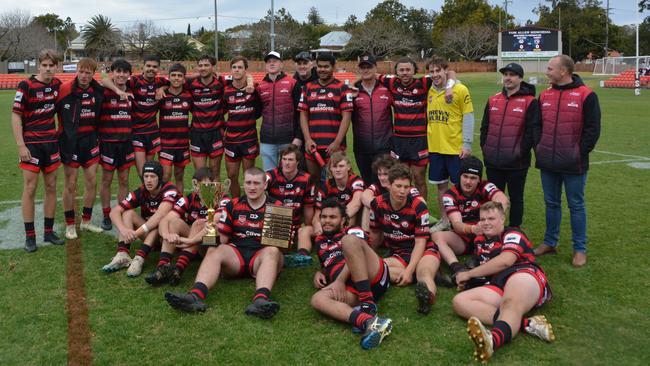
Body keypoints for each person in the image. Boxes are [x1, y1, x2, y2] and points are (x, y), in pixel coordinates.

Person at [165, 168, 285, 319]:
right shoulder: (234, 204)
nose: (252, 187)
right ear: (244, 184)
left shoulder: (277, 206)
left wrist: (283, 238)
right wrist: (210, 233)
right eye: (248, 183)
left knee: (273, 251)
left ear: (265, 185)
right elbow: (221, 239)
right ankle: (195, 296)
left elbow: (280, 247)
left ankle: (261, 301)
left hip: (261, 257)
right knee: (215, 250)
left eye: (256, 183)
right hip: (236, 256)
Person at [452, 201, 555, 363]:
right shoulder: (479, 241)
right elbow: (486, 270)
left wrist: (469, 274)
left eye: (491, 219)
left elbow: (505, 261)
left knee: (510, 302)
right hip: (498, 283)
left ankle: (492, 341)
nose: (486, 223)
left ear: (502, 219)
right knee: (459, 301)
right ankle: (526, 324)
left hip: (523, 273)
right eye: (483, 219)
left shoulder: (513, 233)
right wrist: (470, 281)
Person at [533, 55, 601, 268]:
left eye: (550, 68)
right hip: (548, 162)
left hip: (574, 163)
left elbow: (592, 130)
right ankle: (550, 242)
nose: (547, 72)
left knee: (576, 205)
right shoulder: (544, 95)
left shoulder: (587, 95)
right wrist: (540, 147)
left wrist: (578, 153)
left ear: (564, 71)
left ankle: (579, 249)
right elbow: (536, 126)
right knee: (551, 203)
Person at [310, 198, 393, 350]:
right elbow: (328, 264)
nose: (327, 221)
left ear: (343, 221)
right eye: (324, 217)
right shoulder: (320, 241)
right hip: (353, 289)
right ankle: (369, 322)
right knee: (317, 299)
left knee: (349, 241)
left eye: (332, 217)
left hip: (372, 275)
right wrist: (320, 272)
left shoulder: (353, 230)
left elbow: (356, 253)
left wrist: (340, 280)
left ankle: (368, 306)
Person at [368, 163, 441, 315]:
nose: (402, 191)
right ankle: (418, 275)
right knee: (378, 268)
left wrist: (408, 270)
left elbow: (421, 243)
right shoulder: (377, 204)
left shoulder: (419, 206)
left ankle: (427, 298)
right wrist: (370, 256)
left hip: (424, 250)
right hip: (398, 253)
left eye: (406, 187)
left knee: (424, 273)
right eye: (398, 186)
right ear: (389, 184)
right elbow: (374, 234)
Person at [11, 49, 64, 252]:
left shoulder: (57, 85)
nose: (48, 69)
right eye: (45, 65)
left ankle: (48, 232)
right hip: (31, 144)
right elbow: (16, 116)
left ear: (56, 66)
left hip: (51, 143)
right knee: (30, 188)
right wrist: (20, 145)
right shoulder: (26, 85)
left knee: (51, 187)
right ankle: (30, 236)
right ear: (38, 65)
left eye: (52, 65)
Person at [145, 167, 228, 286]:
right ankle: (162, 268)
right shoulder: (189, 198)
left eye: (207, 185)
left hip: (213, 242)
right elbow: (166, 219)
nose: (202, 189)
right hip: (192, 241)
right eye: (198, 185)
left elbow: (214, 221)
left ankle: (178, 269)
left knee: (199, 223)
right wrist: (166, 235)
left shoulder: (222, 198)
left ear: (214, 184)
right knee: (174, 222)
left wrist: (190, 240)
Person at [480, 62, 538, 228]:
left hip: (516, 162)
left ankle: (514, 229)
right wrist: (486, 148)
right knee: (494, 198)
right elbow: (485, 127)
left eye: (512, 75)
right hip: (493, 161)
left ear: (520, 78)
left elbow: (531, 132)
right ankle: (494, 229)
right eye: (505, 74)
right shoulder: (493, 100)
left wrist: (519, 152)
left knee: (516, 197)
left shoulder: (530, 102)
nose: (508, 78)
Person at [432, 157, 508, 277]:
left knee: (498, 225)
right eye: (465, 176)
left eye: (473, 178)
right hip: (464, 238)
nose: (468, 182)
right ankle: (457, 267)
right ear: (459, 176)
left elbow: (502, 200)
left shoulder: (485, 186)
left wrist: (491, 219)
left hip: (487, 235)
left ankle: (482, 256)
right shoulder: (450, 195)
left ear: (479, 180)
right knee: (436, 236)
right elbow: (457, 225)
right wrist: (473, 229)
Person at [102, 160, 180, 277]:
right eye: (146, 176)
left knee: (157, 222)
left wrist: (135, 233)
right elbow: (114, 212)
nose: (148, 180)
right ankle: (123, 254)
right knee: (128, 213)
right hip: (149, 236)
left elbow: (160, 215)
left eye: (153, 176)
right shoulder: (141, 190)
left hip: (168, 238)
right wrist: (124, 230)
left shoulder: (170, 190)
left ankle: (139, 258)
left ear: (160, 178)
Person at [57, 57, 105, 239]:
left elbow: (110, 82)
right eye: (81, 71)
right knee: (70, 183)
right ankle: (70, 225)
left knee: (92, 182)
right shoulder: (64, 90)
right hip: (70, 143)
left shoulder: (98, 90)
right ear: (76, 70)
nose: (84, 76)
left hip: (91, 142)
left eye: (88, 72)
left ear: (93, 74)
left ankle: (86, 221)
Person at [426, 56, 476, 233]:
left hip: (456, 149)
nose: (434, 74)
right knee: (441, 187)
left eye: (438, 70)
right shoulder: (429, 90)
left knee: (460, 188)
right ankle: (445, 220)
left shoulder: (460, 89)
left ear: (445, 71)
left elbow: (469, 117)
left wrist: (467, 144)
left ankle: (460, 222)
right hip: (436, 148)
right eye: (431, 71)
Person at [292, 152, 363, 267]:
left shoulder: (355, 181)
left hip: (346, 223)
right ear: (330, 169)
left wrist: (340, 221)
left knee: (352, 213)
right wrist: (318, 225)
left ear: (348, 167)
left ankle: (339, 248)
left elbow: (355, 203)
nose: (338, 170)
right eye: (334, 167)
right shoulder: (326, 185)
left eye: (341, 166)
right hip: (329, 224)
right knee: (304, 230)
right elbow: (318, 213)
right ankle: (302, 256)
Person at [104, 55, 168, 175]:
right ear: (142, 67)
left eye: (154, 67)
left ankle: (148, 193)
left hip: (153, 132)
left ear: (158, 69)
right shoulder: (134, 81)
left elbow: (170, 83)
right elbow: (105, 81)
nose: (151, 69)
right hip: (137, 133)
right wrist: (118, 91)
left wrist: (162, 89)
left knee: (150, 172)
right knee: (142, 172)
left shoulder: (160, 82)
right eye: (148, 66)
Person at [298, 53, 353, 181]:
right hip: (313, 146)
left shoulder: (342, 89)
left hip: (334, 146)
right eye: (319, 66)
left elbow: (347, 117)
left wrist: (337, 142)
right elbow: (303, 114)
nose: (322, 69)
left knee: (336, 181)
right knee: (314, 182)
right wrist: (307, 140)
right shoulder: (307, 88)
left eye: (326, 66)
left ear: (333, 67)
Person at [98, 59, 136, 231]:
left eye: (124, 72)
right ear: (113, 72)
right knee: (106, 179)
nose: (121, 75)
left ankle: (120, 211)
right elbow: (102, 79)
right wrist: (115, 89)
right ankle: (106, 214)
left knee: (124, 179)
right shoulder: (105, 91)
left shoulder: (133, 90)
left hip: (126, 142)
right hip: (108, 143)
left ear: (129, 74)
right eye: (118, 71)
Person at [265, 145, 315, 267]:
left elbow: (308, 206)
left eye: (290, 160)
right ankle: (280, 253)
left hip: (296, 224)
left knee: (306, 230)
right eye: (284, 159)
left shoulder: (306, 179)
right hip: (276, 222)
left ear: (298, 162)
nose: (286, 163)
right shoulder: (271, 175)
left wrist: (309, 227)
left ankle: (302, 257)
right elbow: (259, 188)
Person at [223, 56, 262, 198]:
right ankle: (235, 203)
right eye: (234, 67)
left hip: (249, 139)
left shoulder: (254, 89)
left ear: (245, 70)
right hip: (231, 140)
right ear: (231, 70)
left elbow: (259, 111)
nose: (237, 70)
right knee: (232, 175)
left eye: (240, 67)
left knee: (249, 177)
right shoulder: (226, 90)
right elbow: (222, 111)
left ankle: (248, 204)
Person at [351, 55, 393, 184]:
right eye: (363, 67)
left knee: (383, 183)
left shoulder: (387, 88)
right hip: (362, 148)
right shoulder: (353, 91)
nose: (366, 70)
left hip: (384, 147)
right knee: (367, 183)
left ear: (375, 68)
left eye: (369, 67)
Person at [257, 51, 302, 171]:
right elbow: (256, 112)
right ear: (266, 65)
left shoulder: (293, 83)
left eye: (275, 61)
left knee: (288, 174)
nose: (272, 64)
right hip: (267, 140)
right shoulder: (260, 86)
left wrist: (298, 137)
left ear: (281, 64)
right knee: (269, 176)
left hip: (288, 139)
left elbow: (300, 113)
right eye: (269, 62)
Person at [187, 55, 226, 180]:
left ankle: (216, 200)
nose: (203, 68)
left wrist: (251, 81)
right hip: (197, 133)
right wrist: (162, 88)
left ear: (212, 67)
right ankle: (202, 200)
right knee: (200, 174)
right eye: (200, 65)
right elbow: (173, 80)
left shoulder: (221, 82)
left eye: (206, 65)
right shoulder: (191, 84)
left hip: (216, 133)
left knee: (215, 172)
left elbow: (243, 77)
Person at [158, 63, 192, 194]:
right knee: (165, 176)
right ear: (169, 77)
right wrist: (161, 88)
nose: (176, 78)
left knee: (179, 176)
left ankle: (179, 205)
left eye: (179, 76)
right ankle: (164, 205)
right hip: (166, 143)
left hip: (182, 144)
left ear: (184, 79)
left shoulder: (188, 96)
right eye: (173, 75)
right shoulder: (162, 95)